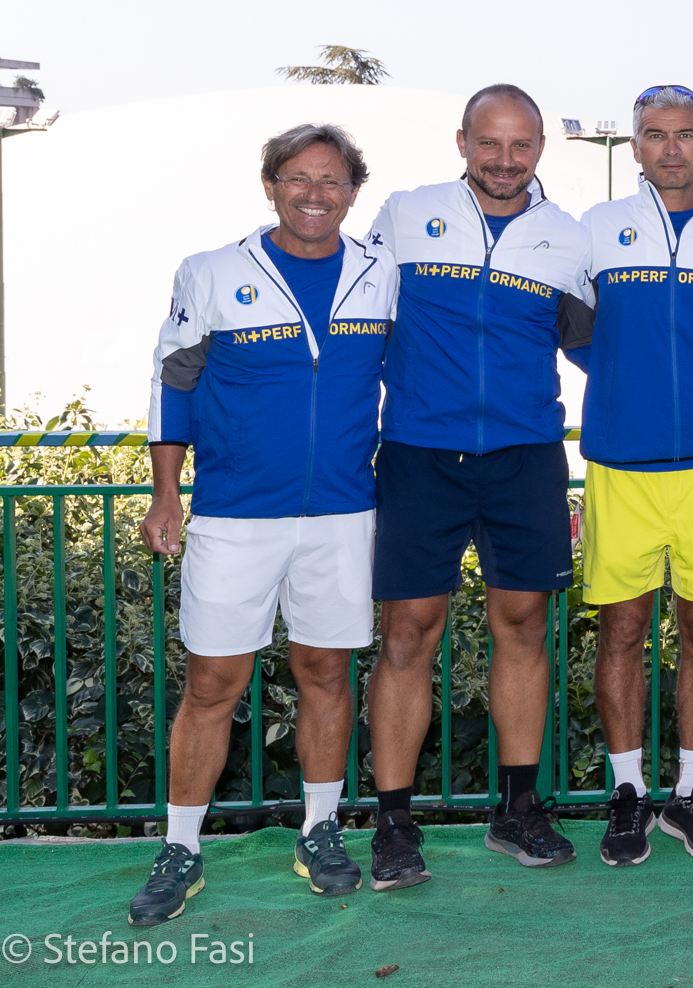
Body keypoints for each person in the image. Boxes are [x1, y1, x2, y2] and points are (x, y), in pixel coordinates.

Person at [133, 124, 396, 926]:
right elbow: (173, 382)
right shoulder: (210, 272)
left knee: (325, 673)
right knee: (213, 684)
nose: (314, 194)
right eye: (297, 178)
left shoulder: (382, 275)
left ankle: (321, 831)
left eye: (331, 181)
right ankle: (181, 847)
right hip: (235, 517)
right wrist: (166, 494)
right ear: (270, 184)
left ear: (354, 192)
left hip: (343, 514)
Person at [361, 85, 591, 889]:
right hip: (420, 453)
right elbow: (357, 323)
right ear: (462, 141)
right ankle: (393, 822)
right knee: (406, 635)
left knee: (524, 627)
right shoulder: (404, 214)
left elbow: (600, 347)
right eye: (488, 144)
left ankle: (518, 809)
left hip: (526, 455)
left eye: (520, 145)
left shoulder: (570, 238)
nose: (504, 160)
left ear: (538, 150)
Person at [577, 85, 693, 866]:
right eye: (654, 135)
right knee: (621, 630)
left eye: (685, 134)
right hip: (621, 463)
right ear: (638, 147)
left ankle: (689, 791)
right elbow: (575, 331)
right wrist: (629, 383)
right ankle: (627, 793)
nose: (671, 148)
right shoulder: (596, 230)